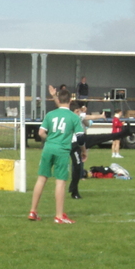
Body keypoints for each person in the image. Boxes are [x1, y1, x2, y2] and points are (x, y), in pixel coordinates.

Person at [28, 87, 83, 224]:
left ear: (58, 100)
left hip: (48, 148)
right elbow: (81, 138)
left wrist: (50, 140)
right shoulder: (74, 117)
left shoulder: (50, 114)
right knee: (60, 182)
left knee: (41, 178)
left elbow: (41, 133)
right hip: (62, 150)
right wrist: (83, 150)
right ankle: (59, 216)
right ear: (70, 100)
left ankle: (33, 211)